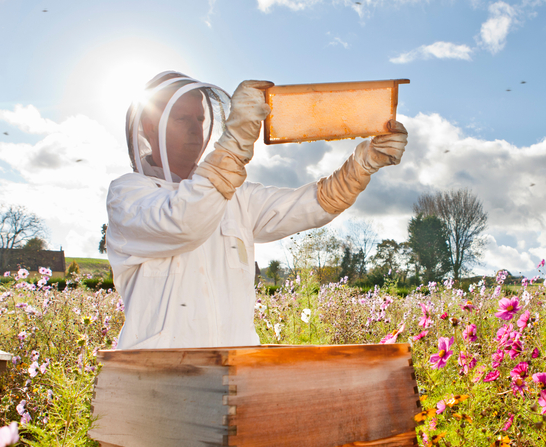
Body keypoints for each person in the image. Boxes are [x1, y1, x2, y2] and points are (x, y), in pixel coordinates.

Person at [105, 71, 407, 349]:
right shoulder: (128, 196)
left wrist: (363, 165)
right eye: (182, 119)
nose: (195, 129)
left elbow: (311, 205)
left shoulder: (237, 196)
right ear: (149, 126)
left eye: (199, 119)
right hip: (156, 383)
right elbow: (185, 221)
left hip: (235, 375)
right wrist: (235, 144)